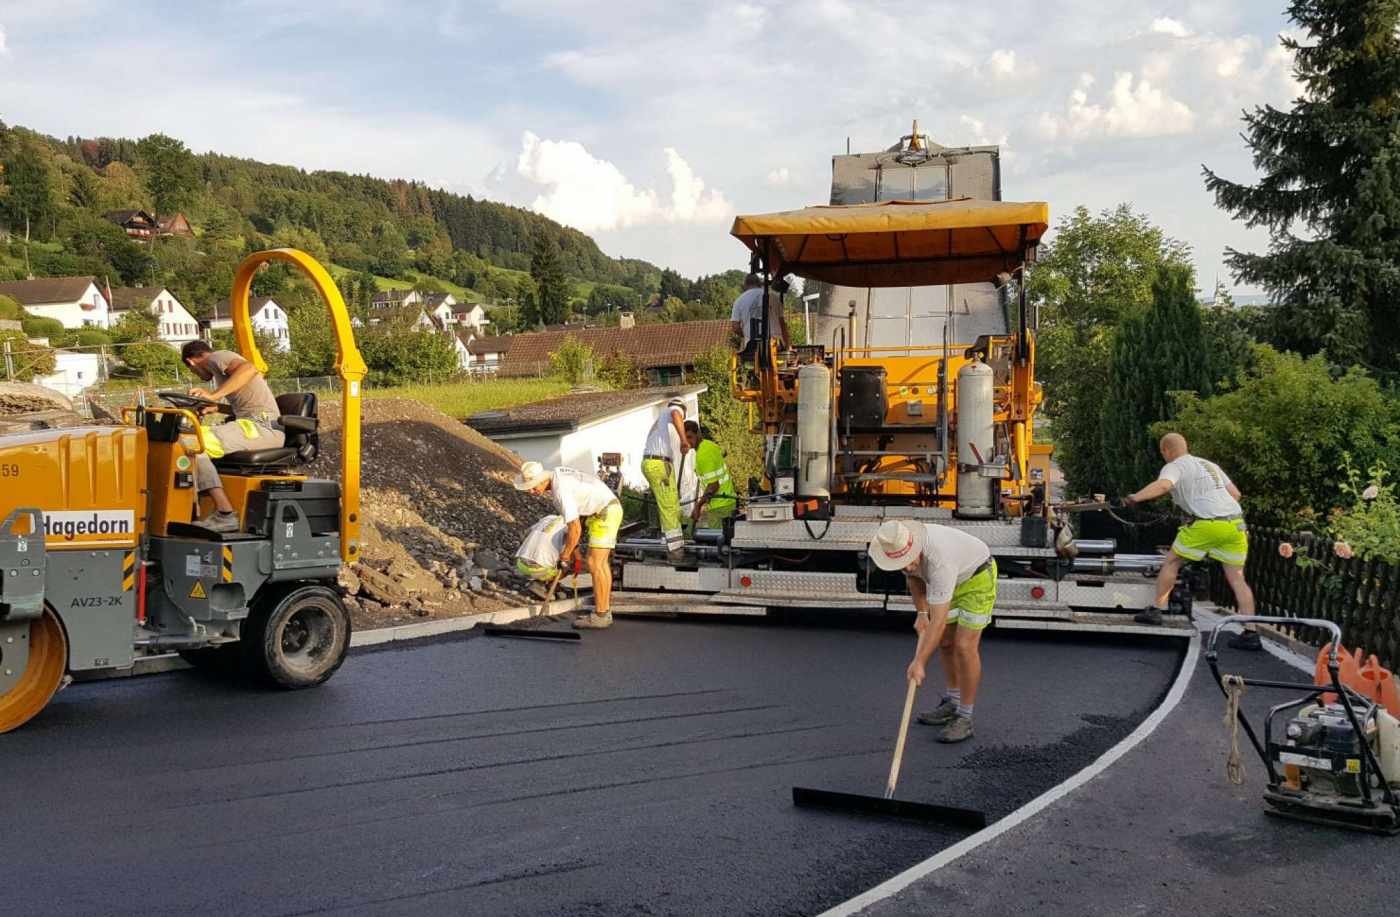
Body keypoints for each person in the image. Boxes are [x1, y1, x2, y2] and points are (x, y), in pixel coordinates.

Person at [1125, 432, 1259, 649]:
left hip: (1206, 524)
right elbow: (1235, 494)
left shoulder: (1175, 466)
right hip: (1235, 524)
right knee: (1237, 578)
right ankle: (1251, 633)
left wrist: (1134, 497)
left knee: (1172, 562)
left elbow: (1163, 486)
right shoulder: (1209, 465)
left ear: (1165, 451)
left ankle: (1157, 610)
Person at [868, 519, 997, 744]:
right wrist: (920, 613)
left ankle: (965, 717)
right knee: (946, 643)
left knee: (964, 647)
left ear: (915, 548)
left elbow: (937, 622)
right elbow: (914, 578)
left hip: (976, 578)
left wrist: (919, 662)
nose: (906, 566)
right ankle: (952, 702)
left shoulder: (939, 561)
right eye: (901, 563)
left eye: (908, 561)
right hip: (950, 580)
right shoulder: (899, 549)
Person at [179, 340, 285, 533]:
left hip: (262, 427)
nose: (198, 376)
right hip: (254, 424)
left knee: (191, 442)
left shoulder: (217, 357)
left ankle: (225, 514)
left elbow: (249, 369)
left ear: (191, 362)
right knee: (189, 439)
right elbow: (244, 407)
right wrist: (217, 407)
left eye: (193, 371)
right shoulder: (221, 371)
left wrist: (214, 396)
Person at [513, 461, 622, 629]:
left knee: (595, 563)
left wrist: (565, 554)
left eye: (533, 486)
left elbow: (575, 529)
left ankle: (601, 615)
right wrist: (572, 551)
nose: (531, 491)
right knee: (599, 563)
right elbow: (581, 508)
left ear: (543, 480)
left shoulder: (560, 490)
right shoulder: (558, 475)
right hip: (603, 509)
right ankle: (604, 612)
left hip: (605, 512)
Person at [642, 397, 689, 556]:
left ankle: (668, 540)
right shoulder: (674, 410)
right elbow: (677, 414)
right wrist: (684, 441)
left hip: (656, 463)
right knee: (669, 505)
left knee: (671, 503)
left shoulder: (661, 418)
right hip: (659, 464)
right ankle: (675, 550)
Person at [684, 420, 736, 530]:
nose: (688, 441)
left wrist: (698, 506)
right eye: (685, 438)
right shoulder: (709, 445)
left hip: (720, 506)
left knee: (717, 541)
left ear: (698, 434)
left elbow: (713, 485)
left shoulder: (703, 455)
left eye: (690, 437)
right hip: (728, 502)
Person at [729, 273, 791, 360]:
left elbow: (735, 327)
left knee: (753, 370)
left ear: (745, 285)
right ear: (759, 283)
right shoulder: (774, 298)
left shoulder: (739, 300)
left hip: (752, 347)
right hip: (776, 345)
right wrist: (788, 346)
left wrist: (746, 335)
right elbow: (782, 324)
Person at [514, 514, 568, 584]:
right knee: (565, 568)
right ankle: (545, 585)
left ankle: (532, 576)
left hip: (520, 564)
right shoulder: (570, 527)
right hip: (538, 570)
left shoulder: (549, 517)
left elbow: (527, 532)